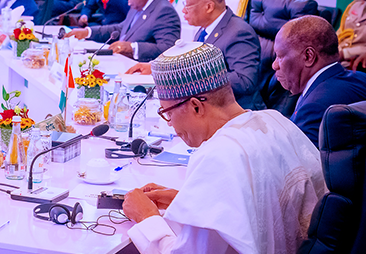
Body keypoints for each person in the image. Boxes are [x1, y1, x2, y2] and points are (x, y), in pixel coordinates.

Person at [123, 41, 325, 253]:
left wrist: (146, 218)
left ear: (195, 106)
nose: (170, 124)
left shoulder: (217, 156)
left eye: (168, 113)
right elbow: (266, 206)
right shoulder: (277, 121)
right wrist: (187, 201)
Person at [129, 0, 263, 109]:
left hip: (235, 113)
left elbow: (245, 81)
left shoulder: (239, 33)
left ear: (209, 7)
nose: (183, 11)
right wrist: (157, 68)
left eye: (188, 5)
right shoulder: (205, 29)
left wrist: (194, 74)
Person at [273, 15, 366, 146]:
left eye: (280, 56)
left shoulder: (313, 108)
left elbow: (296, 163)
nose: (274, 65)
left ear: (308, 56)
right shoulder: (361, 79)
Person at [67, 0, 179, 62]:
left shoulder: (164, 12)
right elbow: (121, 29)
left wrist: (133, 48)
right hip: (119, 63)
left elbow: (168, 50)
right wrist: (88, 32)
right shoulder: (138, 4)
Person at [336, 0, 366, 68]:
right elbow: (340, 33)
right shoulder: (354, 5)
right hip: (337, 61)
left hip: (355, 66)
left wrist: (344, 54)